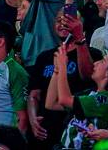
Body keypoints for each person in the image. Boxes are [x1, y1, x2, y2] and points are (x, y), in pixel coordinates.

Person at [26, 10, 102, 150]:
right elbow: (34, 94)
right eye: (59, 20)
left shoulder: (93, 54)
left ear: (79, 25)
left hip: (73, 126)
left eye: (68, 21)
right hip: (45, 129)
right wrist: (32, 119)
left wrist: (79, 38)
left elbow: (88, 76)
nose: (62, 24)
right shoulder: (44, 57)